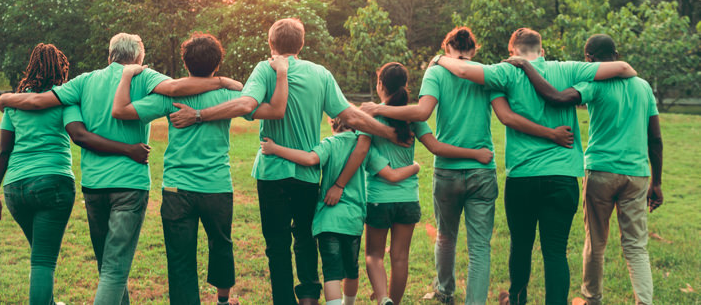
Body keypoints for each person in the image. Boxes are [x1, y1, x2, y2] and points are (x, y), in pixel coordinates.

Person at [168, 18, 403, 305]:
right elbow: (351, 116)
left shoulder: (265, 70)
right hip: (306, 173)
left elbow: (244, 104)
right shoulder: (320, 74)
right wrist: (389, 132)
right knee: (305, 240)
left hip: (271, 172)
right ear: (301, 44)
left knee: (277, 246)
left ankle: (283, 301)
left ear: (271, 44)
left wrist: (197, 115)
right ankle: (308, 299)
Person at [0, 33, 241, 305]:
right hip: (130, 182)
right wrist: (221, 81)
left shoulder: (85, 81)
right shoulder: (145, 77)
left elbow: (38, 102)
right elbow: (176, 89)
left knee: (109, 266)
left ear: (109, 54)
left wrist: (7, 99)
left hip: (94, 185)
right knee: (115, 269)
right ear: (139, 57)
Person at [361, 28, 573, 305]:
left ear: (447, 47)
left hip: (447, 170)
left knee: (446, 237)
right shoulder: (485, 73)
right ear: (474, 49)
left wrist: (378, 109)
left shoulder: (436, 72)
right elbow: (504, 115)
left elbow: (422, 112)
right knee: (479, 248)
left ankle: (445, 291)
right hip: (482, 170)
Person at [435, 28, 637, 305]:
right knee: (555, 251)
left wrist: (439, 60)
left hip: (523, 177)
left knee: (521, 247)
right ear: (542, 51)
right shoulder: (568, 69)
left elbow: (463, 71)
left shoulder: (506, 72)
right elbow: (624, 67)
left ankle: (518, 301)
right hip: (563, 175)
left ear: (512, 53)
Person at [111, 32, 289, 305]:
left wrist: (126, 78)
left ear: (185, 63)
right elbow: (269, 107)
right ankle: (223, 301)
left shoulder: (169, 97)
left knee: (180, 257)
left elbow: (121, 111)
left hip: (176, 188)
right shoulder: (230, 94)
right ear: (217, 63)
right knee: (222, 246)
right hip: (216, 186)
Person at [0, 43, 151, 305]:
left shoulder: (15, 104)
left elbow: (3, 151)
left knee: (40, 255)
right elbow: (79, 135)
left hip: (15, 188)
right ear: (60, 70)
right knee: (43, 260)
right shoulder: (65, 99)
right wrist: (128, 149)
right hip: (53, 184)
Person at [504, 34, 663, 305]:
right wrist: (656, 182)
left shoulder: (593, 85)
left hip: (601, 170)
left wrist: (526, 66)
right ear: (616, 52)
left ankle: (592, 299)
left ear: (589, 59)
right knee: (636, 246)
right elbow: (656, 138)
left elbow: (555, 97)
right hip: (637, 174)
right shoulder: (643, 87)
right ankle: (644, 302)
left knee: (596, 242)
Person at [259, 117, 418, 305]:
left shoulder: (329, 144)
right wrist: (415, 166)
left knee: (331, 272)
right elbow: (390, 174)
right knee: (351, 271)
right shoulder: (364, 148)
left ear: (333, 123)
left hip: (328, 220)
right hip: (353, 220)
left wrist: (275, 149)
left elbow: (309, 159)